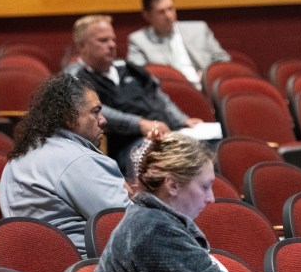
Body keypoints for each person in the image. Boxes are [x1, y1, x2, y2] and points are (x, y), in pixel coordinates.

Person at [92, 130, 301, 272]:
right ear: (172, 185)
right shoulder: (154, 230)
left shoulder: (153, 219)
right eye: (205, 187)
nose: (211, 199)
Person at [0, 73, 132, 257]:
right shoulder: (79, 161)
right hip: (90, 269)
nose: (103, 119)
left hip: (38, 268)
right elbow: (131, 224)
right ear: (70, 117)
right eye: (95, 111)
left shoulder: (21, 155)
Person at [66, 14, 202, 174]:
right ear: (82, 46)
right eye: (103, 40)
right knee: (160, 161)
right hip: (128, 142)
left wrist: (182, 120)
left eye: (113, 40)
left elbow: (158, 96)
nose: (111, 45)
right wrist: (141, 124)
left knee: (207, 148)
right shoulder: (75, 79)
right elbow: (98, 112)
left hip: (166, 131)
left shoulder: (130, 68)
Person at [127, 0, 231, 90]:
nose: (169, 15)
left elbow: (223, 59)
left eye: (171, 8)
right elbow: (137, 75)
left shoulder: (199, 29)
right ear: (147, 16)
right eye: (161, 12)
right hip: (170, 93)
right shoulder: (139, 40)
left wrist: (207, 75)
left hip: (204, 90)